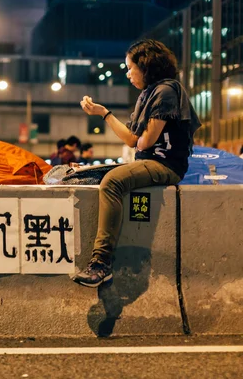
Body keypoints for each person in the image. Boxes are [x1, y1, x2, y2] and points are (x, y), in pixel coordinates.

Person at [73, 39, 200, 288]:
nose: (128, 73)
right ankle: (100, 262)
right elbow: (133, 140)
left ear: (147, 66)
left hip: (166, 165)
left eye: (130, 67)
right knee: (87, 174)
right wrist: (104, 113)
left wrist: (140, 140)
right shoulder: (148, 94)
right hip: (148, 161)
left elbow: (144, 142)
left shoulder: (165, 91)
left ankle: (101, 264)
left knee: (111, 182)